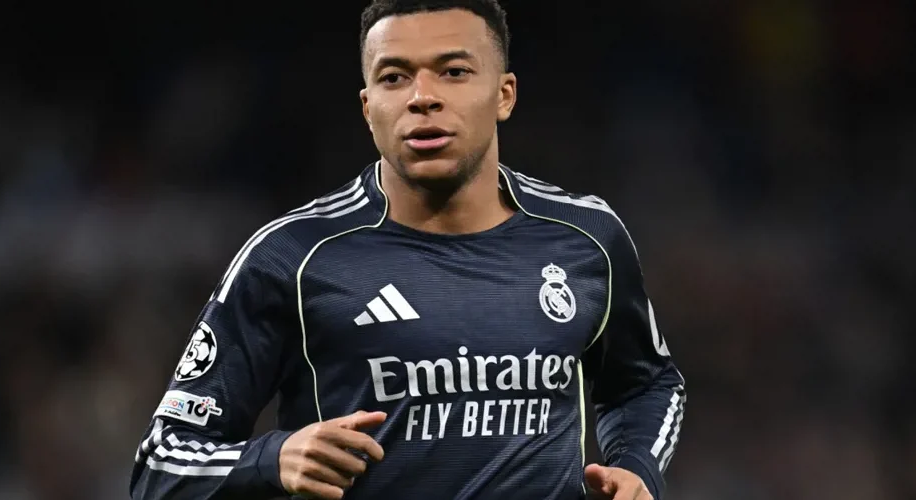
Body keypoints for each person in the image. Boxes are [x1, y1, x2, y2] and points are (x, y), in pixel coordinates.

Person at [129, 0, 686, 498]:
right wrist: (271, 460)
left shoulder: (586, 237)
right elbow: (160, 463)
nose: (423, 98)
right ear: (368, 107)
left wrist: (636, 467)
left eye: (454, 72)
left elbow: (648, 384)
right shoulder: (292, 257)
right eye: (395, 78)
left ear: (504, 95)